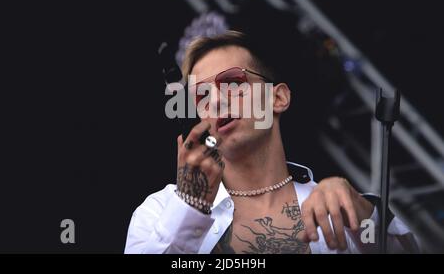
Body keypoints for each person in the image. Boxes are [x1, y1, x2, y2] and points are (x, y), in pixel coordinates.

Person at [125, 30, 418, 254]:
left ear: (277, 98)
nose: (216, 100)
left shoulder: (338, 209)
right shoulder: (159, 211)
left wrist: (363, 211)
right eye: (202, 96)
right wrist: (189, 207)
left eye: (234, 83)